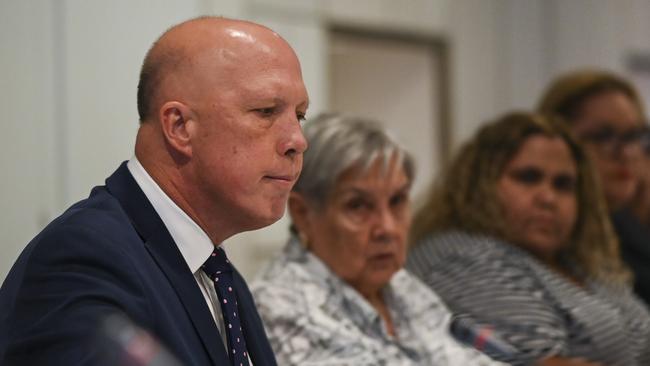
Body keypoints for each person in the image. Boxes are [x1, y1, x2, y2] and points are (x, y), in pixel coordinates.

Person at [0, 16, 309, 365]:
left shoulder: (220, 274)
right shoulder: (84, 259)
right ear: (179, 127)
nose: (297, 141)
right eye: (265, 111)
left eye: (299, 116)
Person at [251, 114, 503, 365]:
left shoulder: (400, 285)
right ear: (303, 214)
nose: (387, 228)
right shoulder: (279, 307)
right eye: (358, 206)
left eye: (397, 201)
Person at [407, 112, 650, 366]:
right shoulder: (461, 257)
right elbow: (543, 364)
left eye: (563, 185)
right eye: (528, 178)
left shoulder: (575, 262)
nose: (548, 198)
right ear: (480, 183)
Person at [537, 69, 650, 305]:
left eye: (633, 136)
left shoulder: (626, 226)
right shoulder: (548, 237)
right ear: (556, 139)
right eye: (604, 136)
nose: (625, 153)